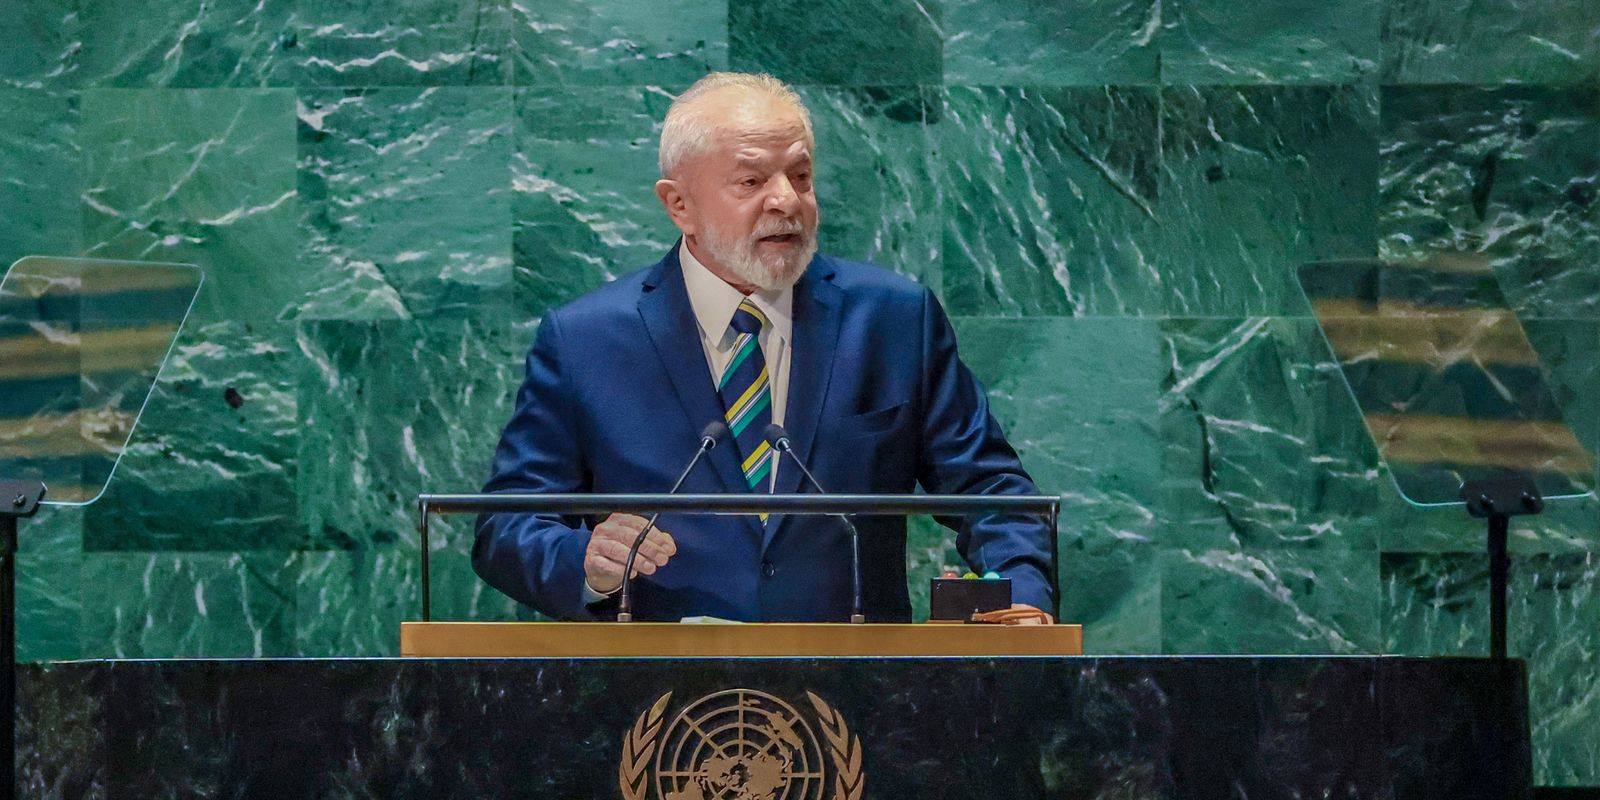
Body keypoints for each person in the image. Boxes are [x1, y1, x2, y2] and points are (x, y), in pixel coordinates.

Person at [473, 72, 1054, 623]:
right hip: (657, 681)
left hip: (857, 681)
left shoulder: (894, 320)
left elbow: (992, 492)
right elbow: (507, 525)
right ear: (679, 205)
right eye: (751, 182)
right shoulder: (585, 340)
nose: (786, 201)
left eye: (800, 177)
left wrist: (1022, 605)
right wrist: (587, 562)